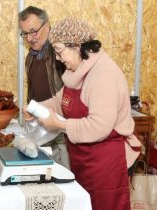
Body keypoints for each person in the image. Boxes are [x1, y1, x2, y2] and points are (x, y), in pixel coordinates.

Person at [25, 17, 140, 210]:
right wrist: (36, 109)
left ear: (77, 46)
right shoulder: (76, 71)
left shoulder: (103, 76)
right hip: (83, 158)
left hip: (107, 163)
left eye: (60, 52)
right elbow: (60, 101)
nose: (58, 59)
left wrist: (60, 125)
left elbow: (98, 127)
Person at [18, 6, 70, 169]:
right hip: (42, 133)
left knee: (65, 179)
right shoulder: (31, 57)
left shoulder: (61, 55)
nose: (30, 38)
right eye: (25, 33)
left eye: (33, 31)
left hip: (62, 134)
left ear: (47, 26)